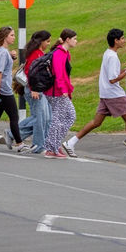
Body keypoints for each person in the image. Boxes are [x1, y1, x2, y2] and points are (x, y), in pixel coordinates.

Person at [65, 28, 126, 162]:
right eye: (122, 38)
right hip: (114, 94)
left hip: (106, 93)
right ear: (116, 41)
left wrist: (125, 70)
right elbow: (112, 79)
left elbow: (113, 74)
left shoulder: (108, 53)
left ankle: (71, 142)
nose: (124, 41)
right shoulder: (112, 57)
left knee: (96, 122)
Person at [43, 29, 78, 158]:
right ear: (67, 39)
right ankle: (51, 148)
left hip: (61, 91)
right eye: (74, 38)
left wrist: (68, 90)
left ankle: (54, 144)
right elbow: (58, 73)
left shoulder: (65, 53)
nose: (76, 41)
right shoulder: (59, 53)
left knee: (68, 116)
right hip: (56, 92)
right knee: (60, 118)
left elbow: (65, 74)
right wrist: (63, 89)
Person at [17, 30, 52, 153]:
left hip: (39, 89)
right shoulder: (35, 55)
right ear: (41, 42)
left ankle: (13, 134)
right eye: (47, 41)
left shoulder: (40, 53)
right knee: (40, 118)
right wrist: (34, 89)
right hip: (35, 90)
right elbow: (30, 72)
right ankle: (38, 145)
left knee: (45, 118)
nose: (48, 43)